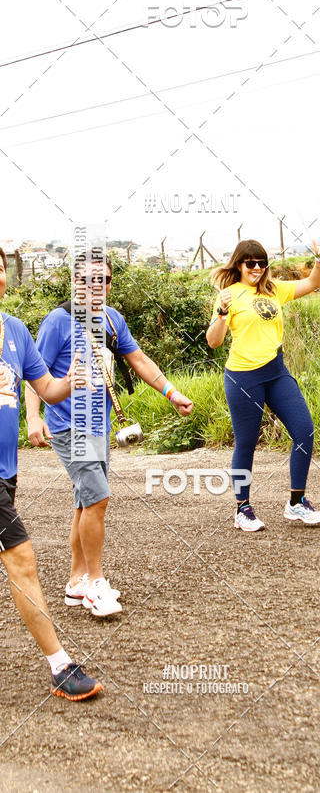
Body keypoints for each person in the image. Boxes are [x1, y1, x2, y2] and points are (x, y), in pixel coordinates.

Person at [25, 253, 194, 617]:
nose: (96, 287)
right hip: (68, 423)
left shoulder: (112, 320)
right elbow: (33, 370)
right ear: (76, 283)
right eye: (88, 280)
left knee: (87, 503)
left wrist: (171, 392)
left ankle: (76, 583)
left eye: (103, 280)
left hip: (99, 425)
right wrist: (33, 416)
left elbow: (139, 360)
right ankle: (97, 585)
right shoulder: (59, 320)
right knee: (99, 500)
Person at [0, 247, 102, 700]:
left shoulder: (16, 332)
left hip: (7, 473)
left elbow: (47, 389)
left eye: (0, 269)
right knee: (21, 558)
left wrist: (72, 381)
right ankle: (60, 666)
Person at [206, 239, 320, 531]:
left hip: (276, 372)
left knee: (304, 429)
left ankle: (296, 503)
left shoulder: (273, 289)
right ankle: (242, 509)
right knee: (246, 443)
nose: (257, 268)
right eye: (251, 263)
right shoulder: (229, 295)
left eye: (262, 263)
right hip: (243, 376)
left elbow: (312, 283)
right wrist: (222, 313)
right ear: (239, 265)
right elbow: (214, 341)